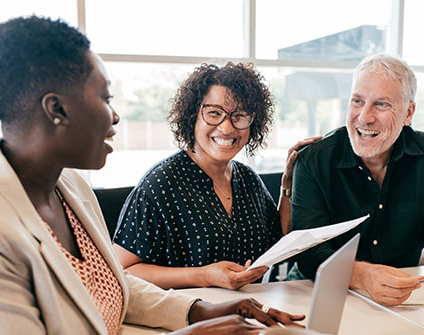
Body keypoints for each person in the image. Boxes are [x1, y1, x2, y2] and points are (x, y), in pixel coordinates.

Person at [0, 16, 306, 335]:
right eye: (105, 98)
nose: (114, 117)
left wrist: (199, 312)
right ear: (57, 109)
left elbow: (110, 281)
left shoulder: (69, 185)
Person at [287, 53, 424, 309]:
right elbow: (309, 251)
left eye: (381, 104)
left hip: (401, 297)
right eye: (357, 101)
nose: (364, 117)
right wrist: (364, 275)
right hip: (316, 289)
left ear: (408, 112)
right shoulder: (314, 160)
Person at [112, 62, 319, 290]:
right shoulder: (161, 184)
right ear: (192, 117)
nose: (227, 128)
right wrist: (204, 276)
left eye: (239, 116)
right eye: (214, 113)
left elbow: (279, 238)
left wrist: (288, 183)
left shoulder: (247, 178)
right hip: (187, 316)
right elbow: (123, 270)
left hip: (249, 310)